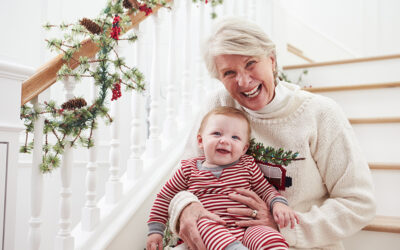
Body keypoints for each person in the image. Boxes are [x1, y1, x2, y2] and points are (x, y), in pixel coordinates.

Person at [167, 17, 376, 250]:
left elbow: (359, 203)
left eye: (250, 64)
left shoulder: (321, 114)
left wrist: (283, 227)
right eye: (229, 73)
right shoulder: (218, 105)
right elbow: (182, 178)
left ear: (272, 60)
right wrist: (185, 206)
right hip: (222, 239)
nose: (244, 81)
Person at [147, 106, 299, 250]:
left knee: (269, 236)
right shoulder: (188, 169)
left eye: (235, 137)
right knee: (201, 223)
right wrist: (155, 230)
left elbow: (266, 190)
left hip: (247, 228)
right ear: (200, 141)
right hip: (212, 229)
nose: (225, 141)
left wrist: (279, 204)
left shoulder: (247, 165)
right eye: (217, 134)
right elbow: (165, 197)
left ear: (244, 149)